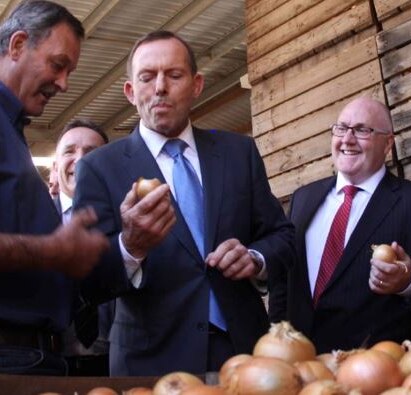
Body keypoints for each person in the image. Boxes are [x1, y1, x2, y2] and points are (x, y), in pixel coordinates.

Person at [74, 30, 295, 376]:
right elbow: (86, 280)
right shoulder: (99, 168)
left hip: (241, 352)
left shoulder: (239, 153)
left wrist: (254, 258)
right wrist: (129, 247)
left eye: (174, 75)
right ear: (131, 92)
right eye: (147, 77)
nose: (160, 87)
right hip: (152, 363)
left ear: (196, 85)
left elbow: (283, 237)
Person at [268, 97, 411, 352]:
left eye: (361, 130)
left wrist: (408, 280)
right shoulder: (303, 198)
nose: (347, 139)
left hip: (379, 369)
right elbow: (285, 278)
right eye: (341, 128)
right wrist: (276, 336)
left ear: (388, 143)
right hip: (303, 366)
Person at [0, 0, 108, 375]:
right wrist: (50, 250)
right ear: (17, 46)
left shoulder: (13, 131)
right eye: (58, 64)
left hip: (35, 358)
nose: (63, 84)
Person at [53, 119, 113, 376]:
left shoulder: (133, 220)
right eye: (69, 151)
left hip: (119, 366)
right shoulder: (32, 221)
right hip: (51, 365)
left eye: (91, 153)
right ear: (55, 168)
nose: (80, 160)